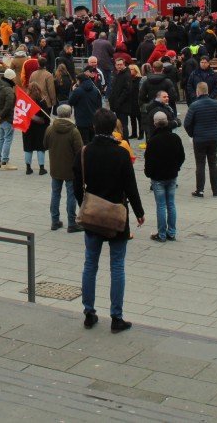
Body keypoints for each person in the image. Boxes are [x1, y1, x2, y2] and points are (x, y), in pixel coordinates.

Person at [73, 110, 145, 333]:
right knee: (117, 266)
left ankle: (89, 312)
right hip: (116, 215)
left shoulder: (84, 152)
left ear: (94, 126)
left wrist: (84, 205)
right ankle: (116, 316)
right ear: (114, 127)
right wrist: (138, 212)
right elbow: (130, 186)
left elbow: (76, 186)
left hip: (93, 216)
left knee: (90, 265)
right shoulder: (121, 154)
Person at [144, 110, 185, 242]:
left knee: (161, 205)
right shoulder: (175, 138)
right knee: (171, 204)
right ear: (167, 122)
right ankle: (172, 232)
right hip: (172, 175)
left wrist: (149, 174)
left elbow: (148, 160)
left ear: (155, 124)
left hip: (158, 178)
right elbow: (181, 156)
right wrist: (176, 167)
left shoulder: (153, 141)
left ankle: (161, 234)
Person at [44, 104, 84, 232]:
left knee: (55, 193)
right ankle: (72, 222)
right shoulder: (74, 131)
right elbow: (80, 151)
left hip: (55, 167)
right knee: (71, 195)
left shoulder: (50, 129)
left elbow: (44, 145)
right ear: (69, 114)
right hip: (70, 168)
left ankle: (55, 221)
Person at [184, 81, 217, 198]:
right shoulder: (216, 104)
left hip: (199, 139)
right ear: (207, 91)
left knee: (200, 164)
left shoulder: (194, 106)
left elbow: (187, 124)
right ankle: (215, 189)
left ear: (197, 92)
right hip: (213, 138)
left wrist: (192, 134)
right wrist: (216, 130)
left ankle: (200, 190)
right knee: (213, 163)